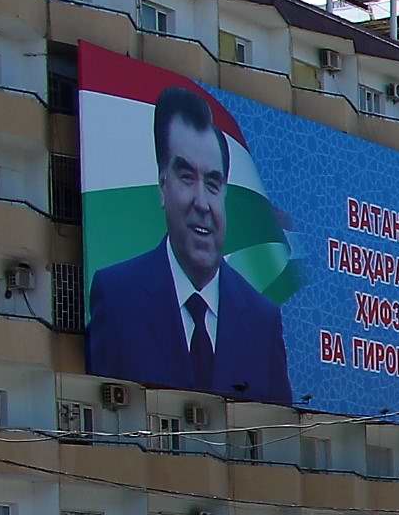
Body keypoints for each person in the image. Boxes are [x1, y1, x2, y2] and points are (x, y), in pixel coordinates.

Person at [83, 83, 294, 405]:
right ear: (161, 184)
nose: (202, 203)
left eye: (212, 183)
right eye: (186, 177)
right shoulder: (117, 296)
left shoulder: (261, 318)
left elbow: (280, 430)